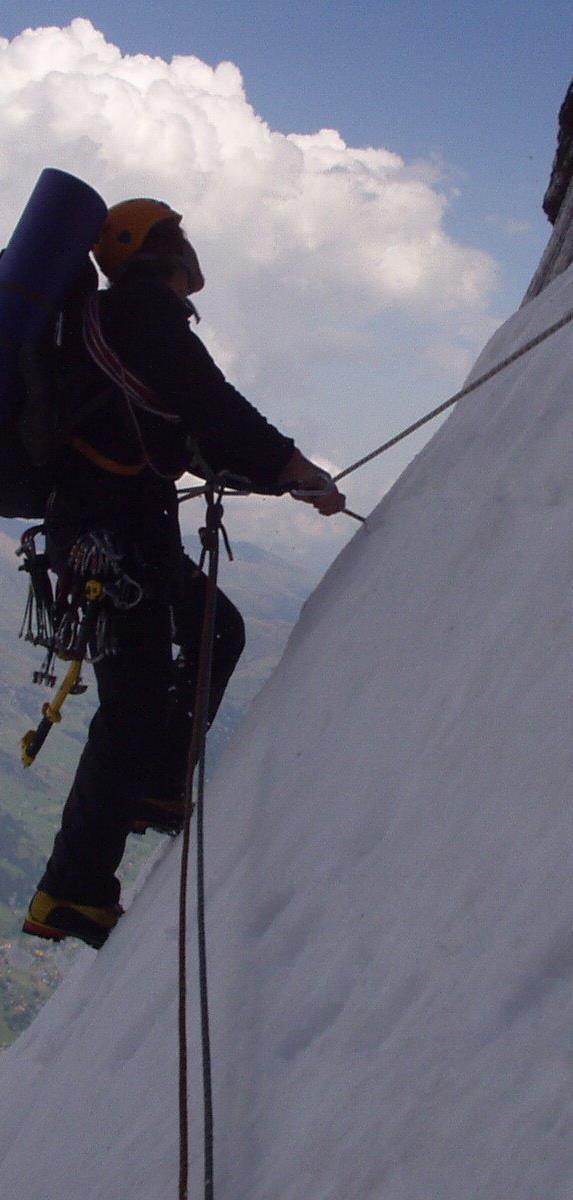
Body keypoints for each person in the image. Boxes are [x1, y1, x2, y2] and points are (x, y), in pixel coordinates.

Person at [22, 198, 345, 949]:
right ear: (165, 249)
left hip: (118, 533)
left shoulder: (111, 322)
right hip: (113, 538)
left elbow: (184, 429)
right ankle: (70, 895)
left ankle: (159, 791)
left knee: (216, 627)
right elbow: (211, 405)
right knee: (130, 707)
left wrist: (277, 478)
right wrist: (292, 467)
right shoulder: (140, 312)